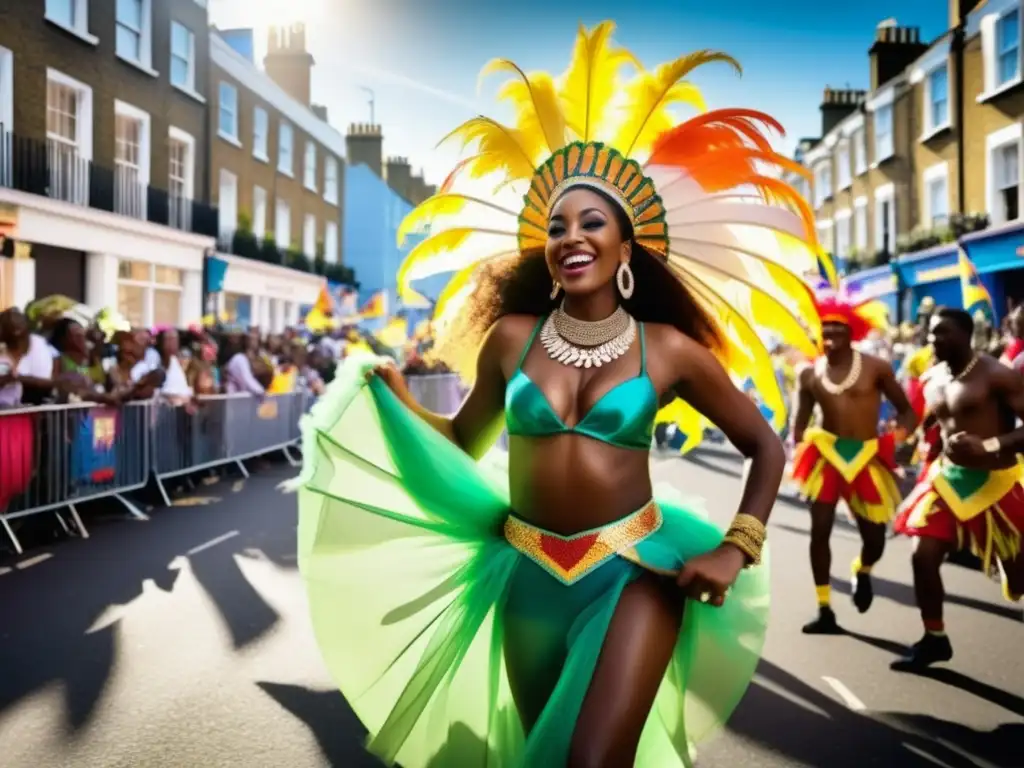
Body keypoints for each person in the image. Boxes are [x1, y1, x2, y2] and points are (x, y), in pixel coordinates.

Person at [292, 22, 822, 768]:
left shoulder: (666, 350)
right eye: (556, 226)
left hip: (635, 570)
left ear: (626, 249)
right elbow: (464, 443)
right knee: (542, 754)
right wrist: (398, 402)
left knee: (590, 760)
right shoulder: (511, 337)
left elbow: (765, 445)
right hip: (525, 576)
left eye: (592, 221)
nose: (571, 236)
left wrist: (738, 547)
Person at [892, 308, 1024, 669]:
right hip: (947, 480)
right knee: (922, 555)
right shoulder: (930, 378)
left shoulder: (998, 375)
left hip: (998, 483)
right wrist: (910, 444)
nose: (934, 340)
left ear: (968, 335)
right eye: (932, 333)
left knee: (1020, 578)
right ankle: (934, 638)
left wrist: (990, 446)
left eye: (943, 333)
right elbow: (939, 425)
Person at [790, 292, 917, 634]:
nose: (829, 337)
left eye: (837, 330)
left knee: (874, 537)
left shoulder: (876, 367)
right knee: (820, 530)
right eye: (824, 330)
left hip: (867, 456)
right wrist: (797, 460)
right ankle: (824, 608)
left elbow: (906, 410)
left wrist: (901, 438)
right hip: (826, 455)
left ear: (852, 334)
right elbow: (799, 426)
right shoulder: (808, 373)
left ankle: (863, 569)